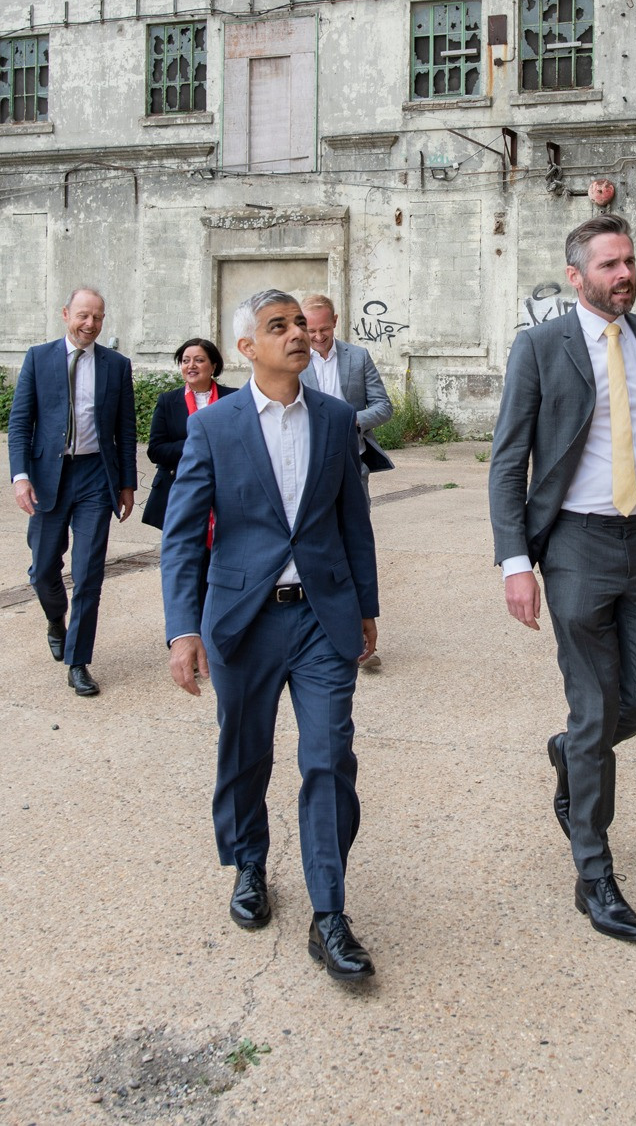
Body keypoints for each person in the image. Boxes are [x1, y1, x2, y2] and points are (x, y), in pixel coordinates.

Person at [489, 214, 636, 942]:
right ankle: (594, 873)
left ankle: (571, 755)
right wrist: (516, 560)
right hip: (577, 545)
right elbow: (507, 460)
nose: (625, 274)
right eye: (610, 265)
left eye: (629, 261)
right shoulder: (540, 347)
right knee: (594, 709)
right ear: (578, 277)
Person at [160, 290, 381, 980]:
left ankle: (329, 912)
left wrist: (367, 608)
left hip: (322, 618)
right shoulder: (216, 427)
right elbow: (183, 535)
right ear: (249, 348)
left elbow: (353, 523)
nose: (296, 334)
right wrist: (182, 630)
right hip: (243, 621)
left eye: (298, 324)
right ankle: (249, 864)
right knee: (245, 752)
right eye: (276, 326)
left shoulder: (338, 418)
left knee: (327, 758)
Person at [8, 287, 136, 697]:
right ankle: (55, 617)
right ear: (66, 314)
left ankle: (78, 661)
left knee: (88, 574)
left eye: (97, 318)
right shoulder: (38, 358)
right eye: (83, 316)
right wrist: (20, 476)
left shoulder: (116, 365)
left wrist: (127, 483)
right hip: (48, 477)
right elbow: (20, 422)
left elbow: (126, 430)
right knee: (44, 568)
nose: (90, 325)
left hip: (95, 476)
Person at [298, 294, 393, 670]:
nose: (317, 337)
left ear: (335, 321)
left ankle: (357, 635)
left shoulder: (358, 357)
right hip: (305, 466)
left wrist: (348, 420)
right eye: (310, 329)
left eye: (323, 329)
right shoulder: (293, 357)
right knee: (314, 547)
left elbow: (383, 406)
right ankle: (319, 635)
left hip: (351, 464)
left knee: (353, 546)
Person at [143, 340, 235, 611]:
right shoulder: (168, 401)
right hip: (180, 495)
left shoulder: (234, 398)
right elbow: (155, 450)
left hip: (224, 496)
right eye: (185, 360)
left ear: (213, 365)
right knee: (187, 568)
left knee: (220, 568)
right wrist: (198, 443)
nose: (191, 366)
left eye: (198, 360)